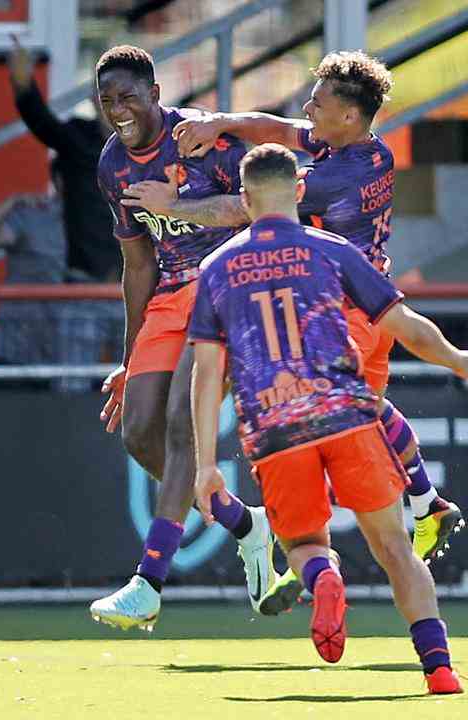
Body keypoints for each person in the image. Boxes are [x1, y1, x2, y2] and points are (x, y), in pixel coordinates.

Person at [171, 50, 464, 611]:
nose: (308, 109)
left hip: (343, 309)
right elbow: (280, 129)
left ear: (348, 116)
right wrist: (223, 122)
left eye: (319, 102)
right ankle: (420, 504)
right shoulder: (366, 149)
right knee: (362, 414)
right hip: (372, 296)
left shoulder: (332, 177)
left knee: (324, 416)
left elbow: (251, 207)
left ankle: (319, 555)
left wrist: (175, 206)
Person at [190, 143, 468, 693]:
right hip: (347, 413)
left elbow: (207, 374)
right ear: (299, 191)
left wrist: (206, 463)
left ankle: (322, 577)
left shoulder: (215, 268)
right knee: (395, 546)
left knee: (301, 544)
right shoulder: (335, 250)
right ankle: (438, 667)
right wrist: (459, 360)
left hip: (274, 428)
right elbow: (407, 325)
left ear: (244, 200)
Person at [87, 45, 274, 631]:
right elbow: (137, 264)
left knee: (178, 425)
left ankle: (148, 583)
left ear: (155, 95)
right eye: (107, 99)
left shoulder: (199, 138)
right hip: (170, 297)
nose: (119, 109)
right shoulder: (112, 165)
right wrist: (129, 357)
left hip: (227, 287)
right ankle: (249, 525)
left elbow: (256, 207)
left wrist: (181, 205)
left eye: (129, 96)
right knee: (140, 433)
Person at [7, 34, 117, 283]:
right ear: (93, 99)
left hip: (133, 284)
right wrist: (22, 84)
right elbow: (41, 122)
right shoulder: (78, 137)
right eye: (104, 95)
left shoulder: (149, 146)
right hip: (83, 278)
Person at [0, 168, 67, 386]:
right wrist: (12, 202)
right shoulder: (33, 217)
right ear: (58, 180)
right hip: (16, 346)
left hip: (74, 351)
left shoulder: (110, 221)